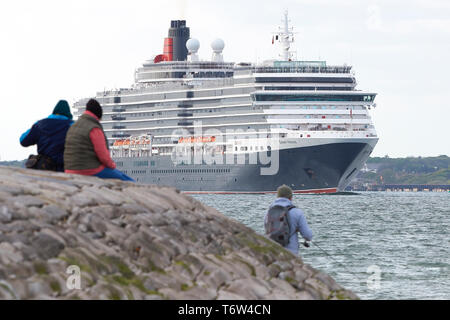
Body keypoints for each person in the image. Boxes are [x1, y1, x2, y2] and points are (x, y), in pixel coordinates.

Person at [64, 99, 134, 182]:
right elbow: (103, 155)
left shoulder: (74, 126)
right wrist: (112, 166)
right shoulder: (94, 128)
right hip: (88, 170)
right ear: (98, 115)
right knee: (127, 181)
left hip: (69, 170)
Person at [20, 100, 74, 172]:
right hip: (65, 169)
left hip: (44, 167)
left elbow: (23, 141)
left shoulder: (39, 124)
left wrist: (35, 126)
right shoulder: (72, 126)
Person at [265, 185, 313, 255]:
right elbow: (308, 236)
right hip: (291, 253)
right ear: (291, 197)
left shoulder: (268, 212)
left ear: (277, 196)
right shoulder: (297, 212)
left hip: (273, 253)